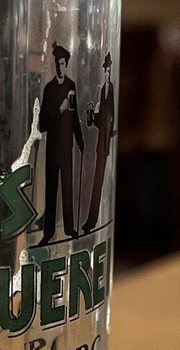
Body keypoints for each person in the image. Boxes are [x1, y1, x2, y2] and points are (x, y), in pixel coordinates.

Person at [38, 42, 83, 246]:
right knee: (51, 189)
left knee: (67, 188)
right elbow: (42, 124)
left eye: (63, 63)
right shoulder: (49, 89)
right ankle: (48, 232)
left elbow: (75, 116)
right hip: (52, 147)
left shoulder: (71, 85)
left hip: (67, 147)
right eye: (57, 63)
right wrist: (60, 109)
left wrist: (80, 140)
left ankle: (69, 228)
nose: (60, 67)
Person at [81, 53, 115, 235]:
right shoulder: (103, 89)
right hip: (99, 141)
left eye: (108, 68)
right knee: (95, 181)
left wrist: (100, 122)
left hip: (104, 142)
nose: (106, 71)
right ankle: (91, 219)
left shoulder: (109, 88)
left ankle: (92, 219)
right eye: (105, 68)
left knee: (98, 182)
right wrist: (92, 117)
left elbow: (109, 115)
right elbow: (103, 116)